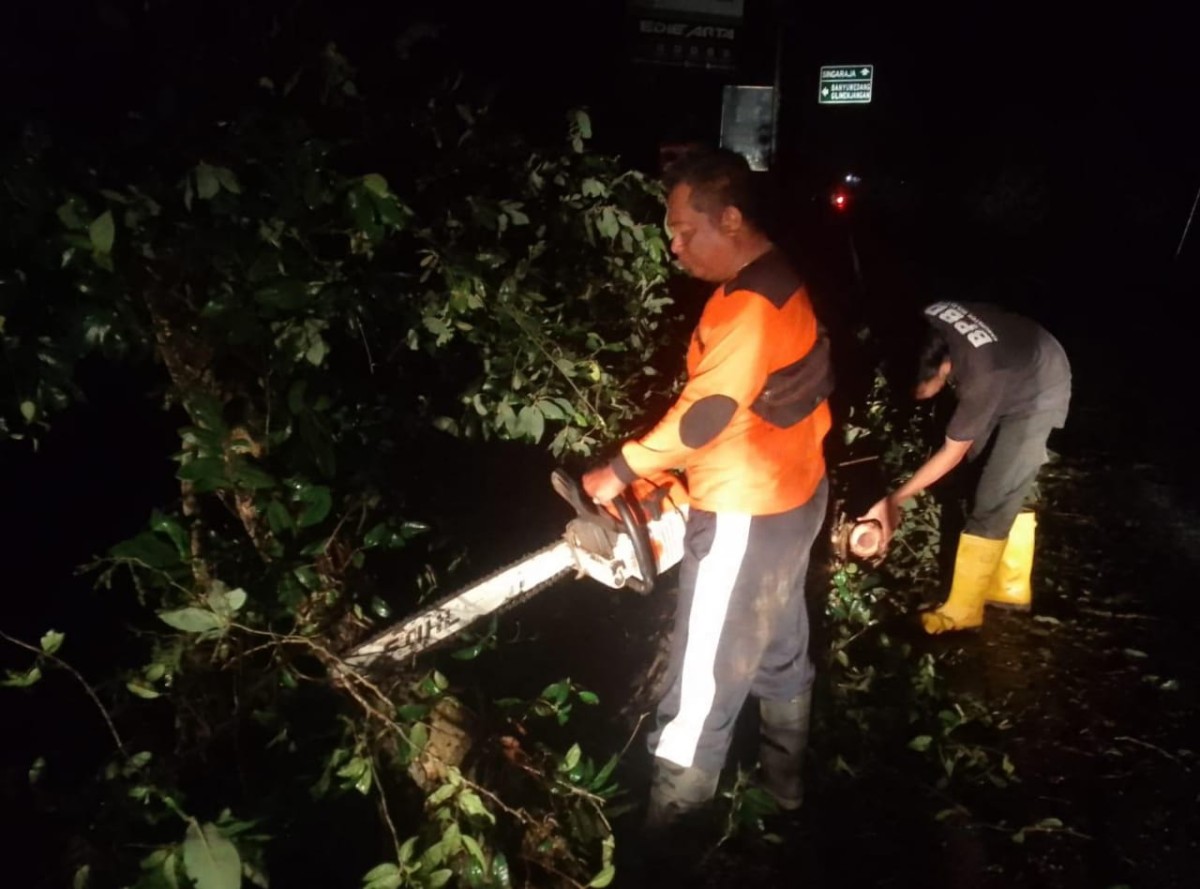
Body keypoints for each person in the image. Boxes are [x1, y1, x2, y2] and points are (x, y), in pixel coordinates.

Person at [582, 148, 834, 831]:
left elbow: (706, 414)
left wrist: (624, 469)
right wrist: (668, 477)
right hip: (794, 494)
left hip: (748, 511)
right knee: (781, 650)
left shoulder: (749, 306)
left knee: (699, 686)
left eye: (686, 229)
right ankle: (786, 796)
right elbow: (748, 404)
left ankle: (669, 836)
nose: (675, 244)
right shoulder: (780, 279)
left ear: (730, 217)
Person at [862, 300, 1071, 634]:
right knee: (983, 475)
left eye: (921, 393)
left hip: (1039, 383)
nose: (917, 399)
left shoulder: (981, 375)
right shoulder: (921, 327)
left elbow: (951, 452)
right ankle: (1008, 587)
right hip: (1009, 361)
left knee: (994, 492)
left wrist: (895, 499)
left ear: (944, 369)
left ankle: (964, 611)